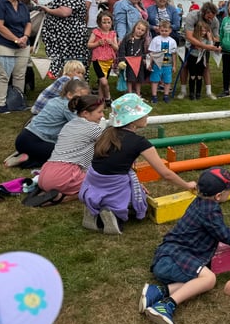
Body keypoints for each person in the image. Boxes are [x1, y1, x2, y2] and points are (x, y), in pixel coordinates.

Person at [140, 167, 230, 324]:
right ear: (218, 196)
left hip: (168, 255)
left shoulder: (201, 202)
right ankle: (166, 305)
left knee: (200, 279)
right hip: (171, 260)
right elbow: (229, 237)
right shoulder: (210, 212)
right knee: (209, 279)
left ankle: (157, 291)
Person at [79, 93, 196, 235]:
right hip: (113, 184)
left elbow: (114, 163)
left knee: (132, 187)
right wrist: (187, 185)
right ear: (133, 120)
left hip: (94, 182)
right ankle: (113, 214)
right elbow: (165, 174)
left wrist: (135, 184)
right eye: (143, 113)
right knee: (140, 206)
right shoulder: (139, 142)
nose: (147, 116)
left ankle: (95, 209)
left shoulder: (107, 133)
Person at [25, 95, 105, 206]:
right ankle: (61, 197)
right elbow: (109, 144)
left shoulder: (69, 124)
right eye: (100, 112)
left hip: (46, 172)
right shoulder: (94, 128)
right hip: (64, 175)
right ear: (85, 113)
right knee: (103, 183)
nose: (102, 115)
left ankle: (44, 192)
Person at [8, 79, 89, 169]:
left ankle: (24, 153)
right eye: (81, 98)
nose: (83, 102)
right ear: (69, 95)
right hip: (34, 141)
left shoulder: (55, 100)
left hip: (23, 138)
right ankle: (28, 160)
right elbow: (82, 126)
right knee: (66, 154)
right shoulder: (68, 107)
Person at [40, 0, 89, 78]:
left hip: (68, 36)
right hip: (71, 34)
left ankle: (67, 87)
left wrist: (48, 10)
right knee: (72, 63)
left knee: (69, 64)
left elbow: (65, 12)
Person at [0, 0, 31, 114]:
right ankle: (0, 104)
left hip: (23, 45)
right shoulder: (0, 4)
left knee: (20, 75)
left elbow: (28, 23)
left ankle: (18, 102)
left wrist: (25, 37)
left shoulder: (23, 6)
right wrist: (16, 39)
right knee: (3, 75)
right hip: (5, 44)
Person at [178, 2, 220, 100]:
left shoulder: (215, 20)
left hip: (205, 45)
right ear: (203, 12)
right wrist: (205, 46)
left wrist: (217, 45)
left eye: (213, 17)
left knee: (205, 66)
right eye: (209, 17)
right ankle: (183, 91)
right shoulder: (192, 16)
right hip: (187, 43)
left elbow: (216, 36)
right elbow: (189, 36)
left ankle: (208, 91)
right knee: (185, 65)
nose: (211, 19)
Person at [88, 11, 118, 106]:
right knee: (104, 82)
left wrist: (112, 43)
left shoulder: (113, 34)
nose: (106, 25)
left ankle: (100, 101)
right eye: (104, 22)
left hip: (109, 60)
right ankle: (108, 97)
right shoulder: (96, 32)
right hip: (98, 60)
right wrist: (97, 43)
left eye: (109, 22)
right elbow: (89, 44)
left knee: (102, 82)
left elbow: (116, 48)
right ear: (99, 23)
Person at [148, 20, 178, 103]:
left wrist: (174, 65)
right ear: (159, 30)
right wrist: (150, 63)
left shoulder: (172, 41)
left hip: (167, 64)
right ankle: (154, 96)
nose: (164, 32)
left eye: (166, 31)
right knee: (155, 80)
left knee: (167, 80)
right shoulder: (155, 40)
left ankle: (166, 95)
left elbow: (174, 54)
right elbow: (152, 53)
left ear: (170, 31)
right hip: (157, 63)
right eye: (162, 31)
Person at [117, 19, 150, 96]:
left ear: (145, 32)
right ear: (135, 27)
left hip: (139, 63)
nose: (139, 31)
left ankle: (138, 94)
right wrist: (122, 60)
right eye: (138, 28)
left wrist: (145, 59)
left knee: (139, 79)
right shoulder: (127, 38)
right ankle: (129, 93)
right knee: (129, 78)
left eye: (142, 30)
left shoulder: (144, 40)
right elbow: (122, 48)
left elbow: (145, 51)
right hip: (129, 62)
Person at [186, 21, 217, 100]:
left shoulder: (206, 39)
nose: (203, 33)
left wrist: (210, 38)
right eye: (201, 31)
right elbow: (187, 44)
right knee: (192, 76)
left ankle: (198, 93)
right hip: (192, 58)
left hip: (201, 59)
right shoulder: (193, 37)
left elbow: (211, 47)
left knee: (199, 76)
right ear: (197, 30)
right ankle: (192, 93)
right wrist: (195, 45)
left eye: (205, 31)